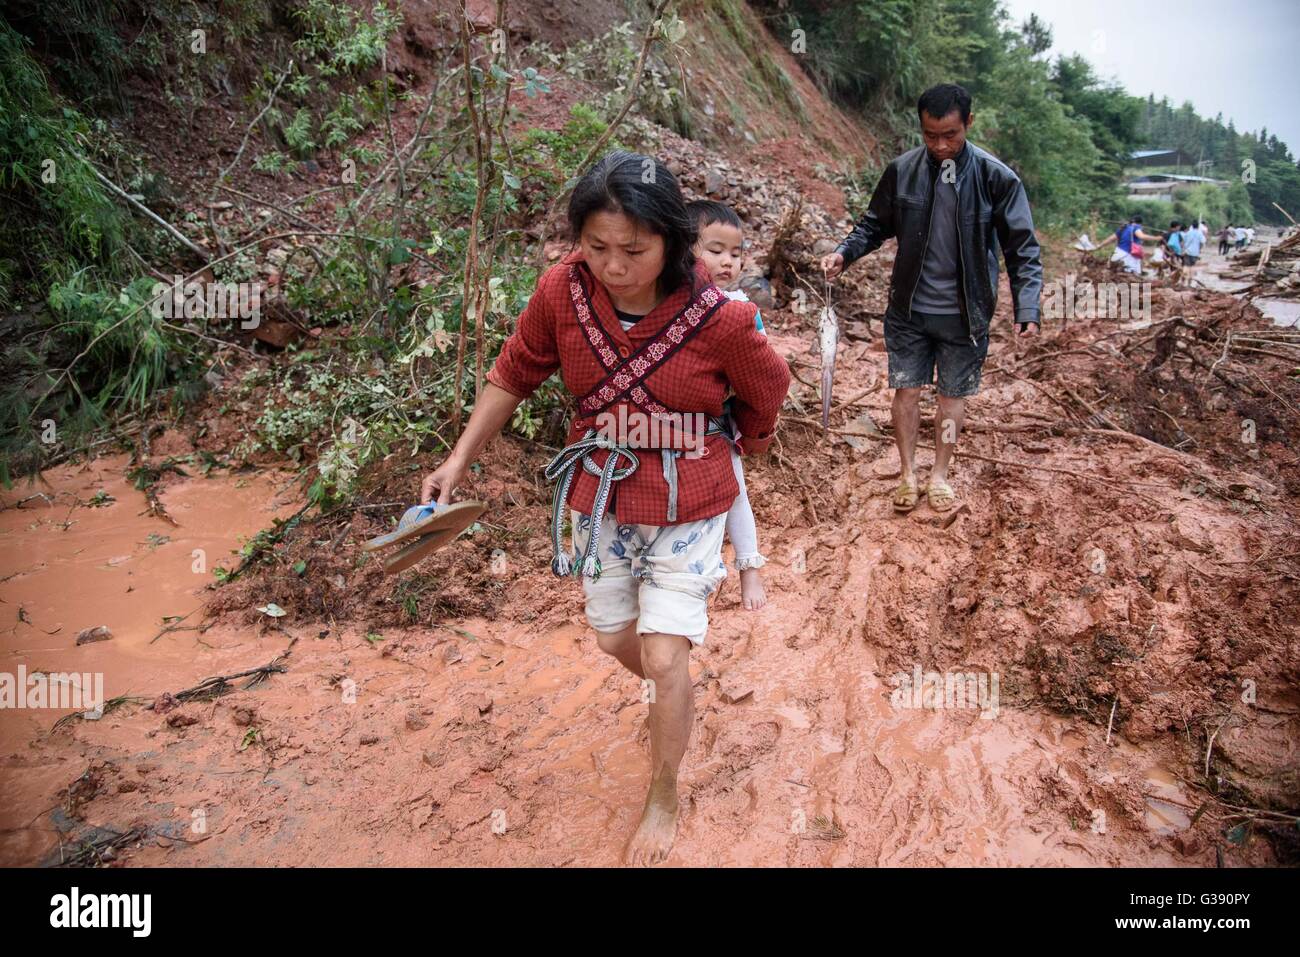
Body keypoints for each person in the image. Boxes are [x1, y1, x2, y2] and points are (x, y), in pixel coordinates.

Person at [419, 151, 789, 865]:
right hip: (604, 493)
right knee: (614, 634)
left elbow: (765, 390)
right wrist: (458, 456)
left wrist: (754, 442)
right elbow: (516, 367)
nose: (613, 266)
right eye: (597, 248)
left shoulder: (721, 318)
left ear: (672, 242)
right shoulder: (562, 292)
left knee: (662, 647)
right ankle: (673, 696)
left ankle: (664, 787)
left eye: (634, 250)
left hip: (690, 499)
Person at [820, 83, 1042, 514]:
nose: (940, 146)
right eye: (930, 136)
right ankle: (907, 472)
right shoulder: (903, 171)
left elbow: (1022, 247)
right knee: (906, 390)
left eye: (950, 136)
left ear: (969, 124)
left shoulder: (997, 178)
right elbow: (873, 225)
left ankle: (939, 474)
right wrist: (843, 253)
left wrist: (1027, 305)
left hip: (965, 314)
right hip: (909, 309)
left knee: (952, 398)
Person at [686, 200, 769, 611]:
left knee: (734, 493)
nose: (727, 262)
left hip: (720, 421)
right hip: (674, 423)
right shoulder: (673, 299)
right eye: (715, 250)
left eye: (736, 255)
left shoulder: (739, 306)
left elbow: (761, 366)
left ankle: (749, 570)